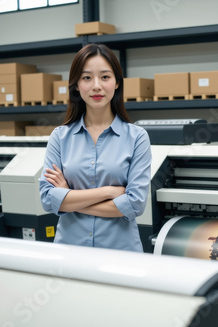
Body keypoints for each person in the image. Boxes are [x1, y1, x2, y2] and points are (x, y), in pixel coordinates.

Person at [39, 43, 152, 252]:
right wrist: (110, 191)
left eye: (105, 77)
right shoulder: (60, 137)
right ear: (76, 85)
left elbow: (134, 205)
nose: (96, 86)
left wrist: (68, 197)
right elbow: (48, 199)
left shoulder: (137, 138)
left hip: (120, 255)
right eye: (87, 77)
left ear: (117, 82)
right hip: (69, 254)